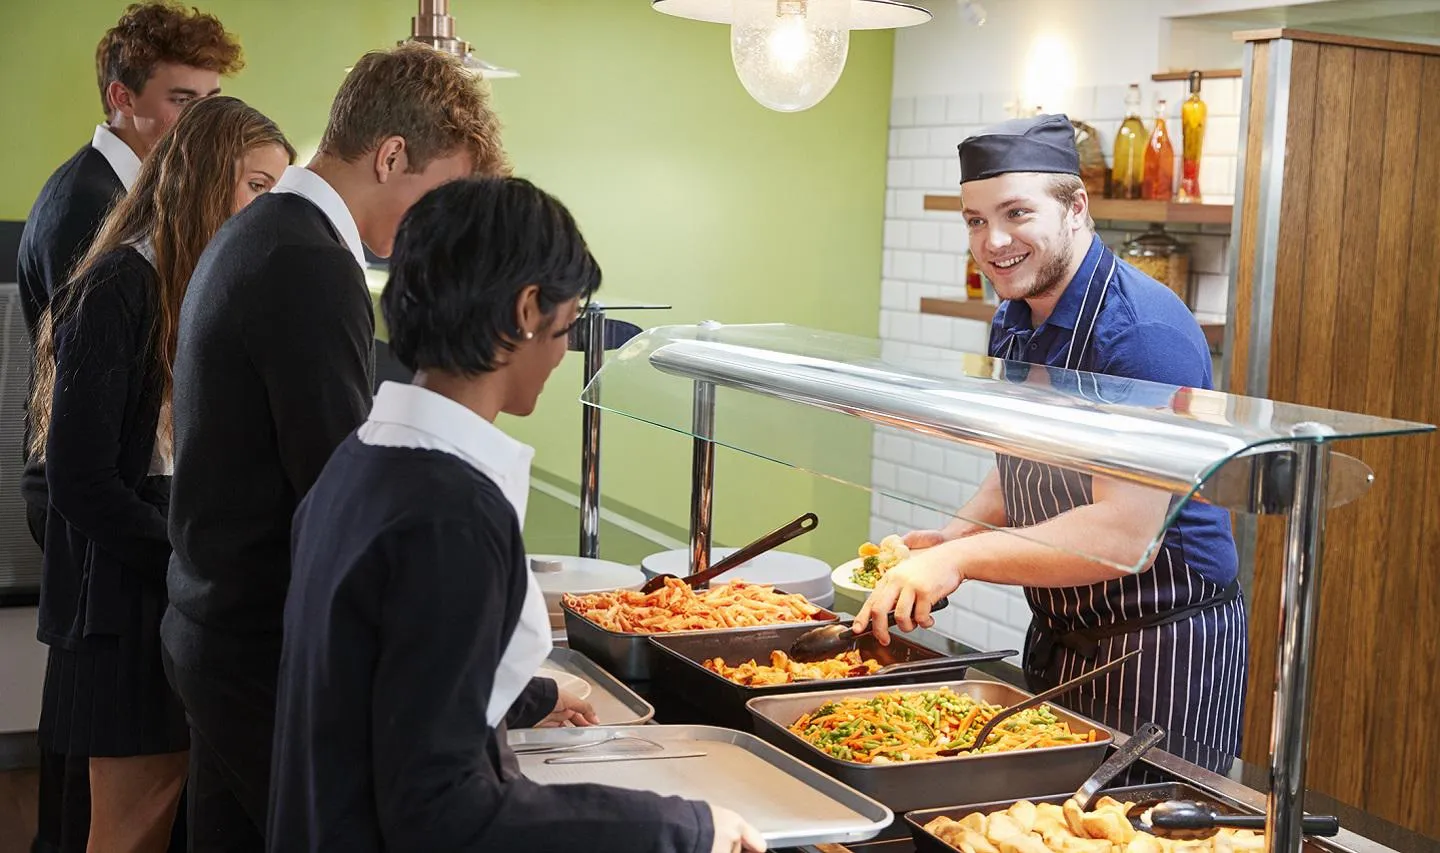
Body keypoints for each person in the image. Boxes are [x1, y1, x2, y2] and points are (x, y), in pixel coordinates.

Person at [268, 175, 764, 853]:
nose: (565, 352)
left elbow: (389, 692)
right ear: (528, 309)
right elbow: (443, 812)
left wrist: (529, 696)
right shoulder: (452, 517)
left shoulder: (359, 463)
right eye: (568, 324)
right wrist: (681, 826)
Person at [161, 44, 508, 852]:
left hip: (215, 627)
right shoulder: (309, 263)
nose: (439, 228)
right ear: (391, 156)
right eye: (442, 195)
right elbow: (341, 493)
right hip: (259, 652)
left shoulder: (266, 229)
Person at [854, 114, 1247, 772]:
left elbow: (1124, 537)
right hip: (1066, 633)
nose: (993, 241)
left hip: (1164, 645)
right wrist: (946, 543)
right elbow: (1018, 475)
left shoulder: (1141, 333)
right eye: (975, 220)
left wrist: (964, 560)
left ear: (1076, 208)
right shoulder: (1013, 317)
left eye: (1015, 213)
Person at [27, 96, 293, 853]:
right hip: (122, 603)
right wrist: (189, 557)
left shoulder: (194, 280)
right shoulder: (121, 285)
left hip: (169, 587)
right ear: (208, 180)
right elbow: (81, 481)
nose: (269, 209)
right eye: (259, 187)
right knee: (128, 826)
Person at [18, 0, 244, 549]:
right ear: (122, 98)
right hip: (94, 498)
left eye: (209, 102)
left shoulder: (141, 191)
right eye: (181, 100)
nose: (199, 123)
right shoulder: (87, 204)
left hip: (126, 482)